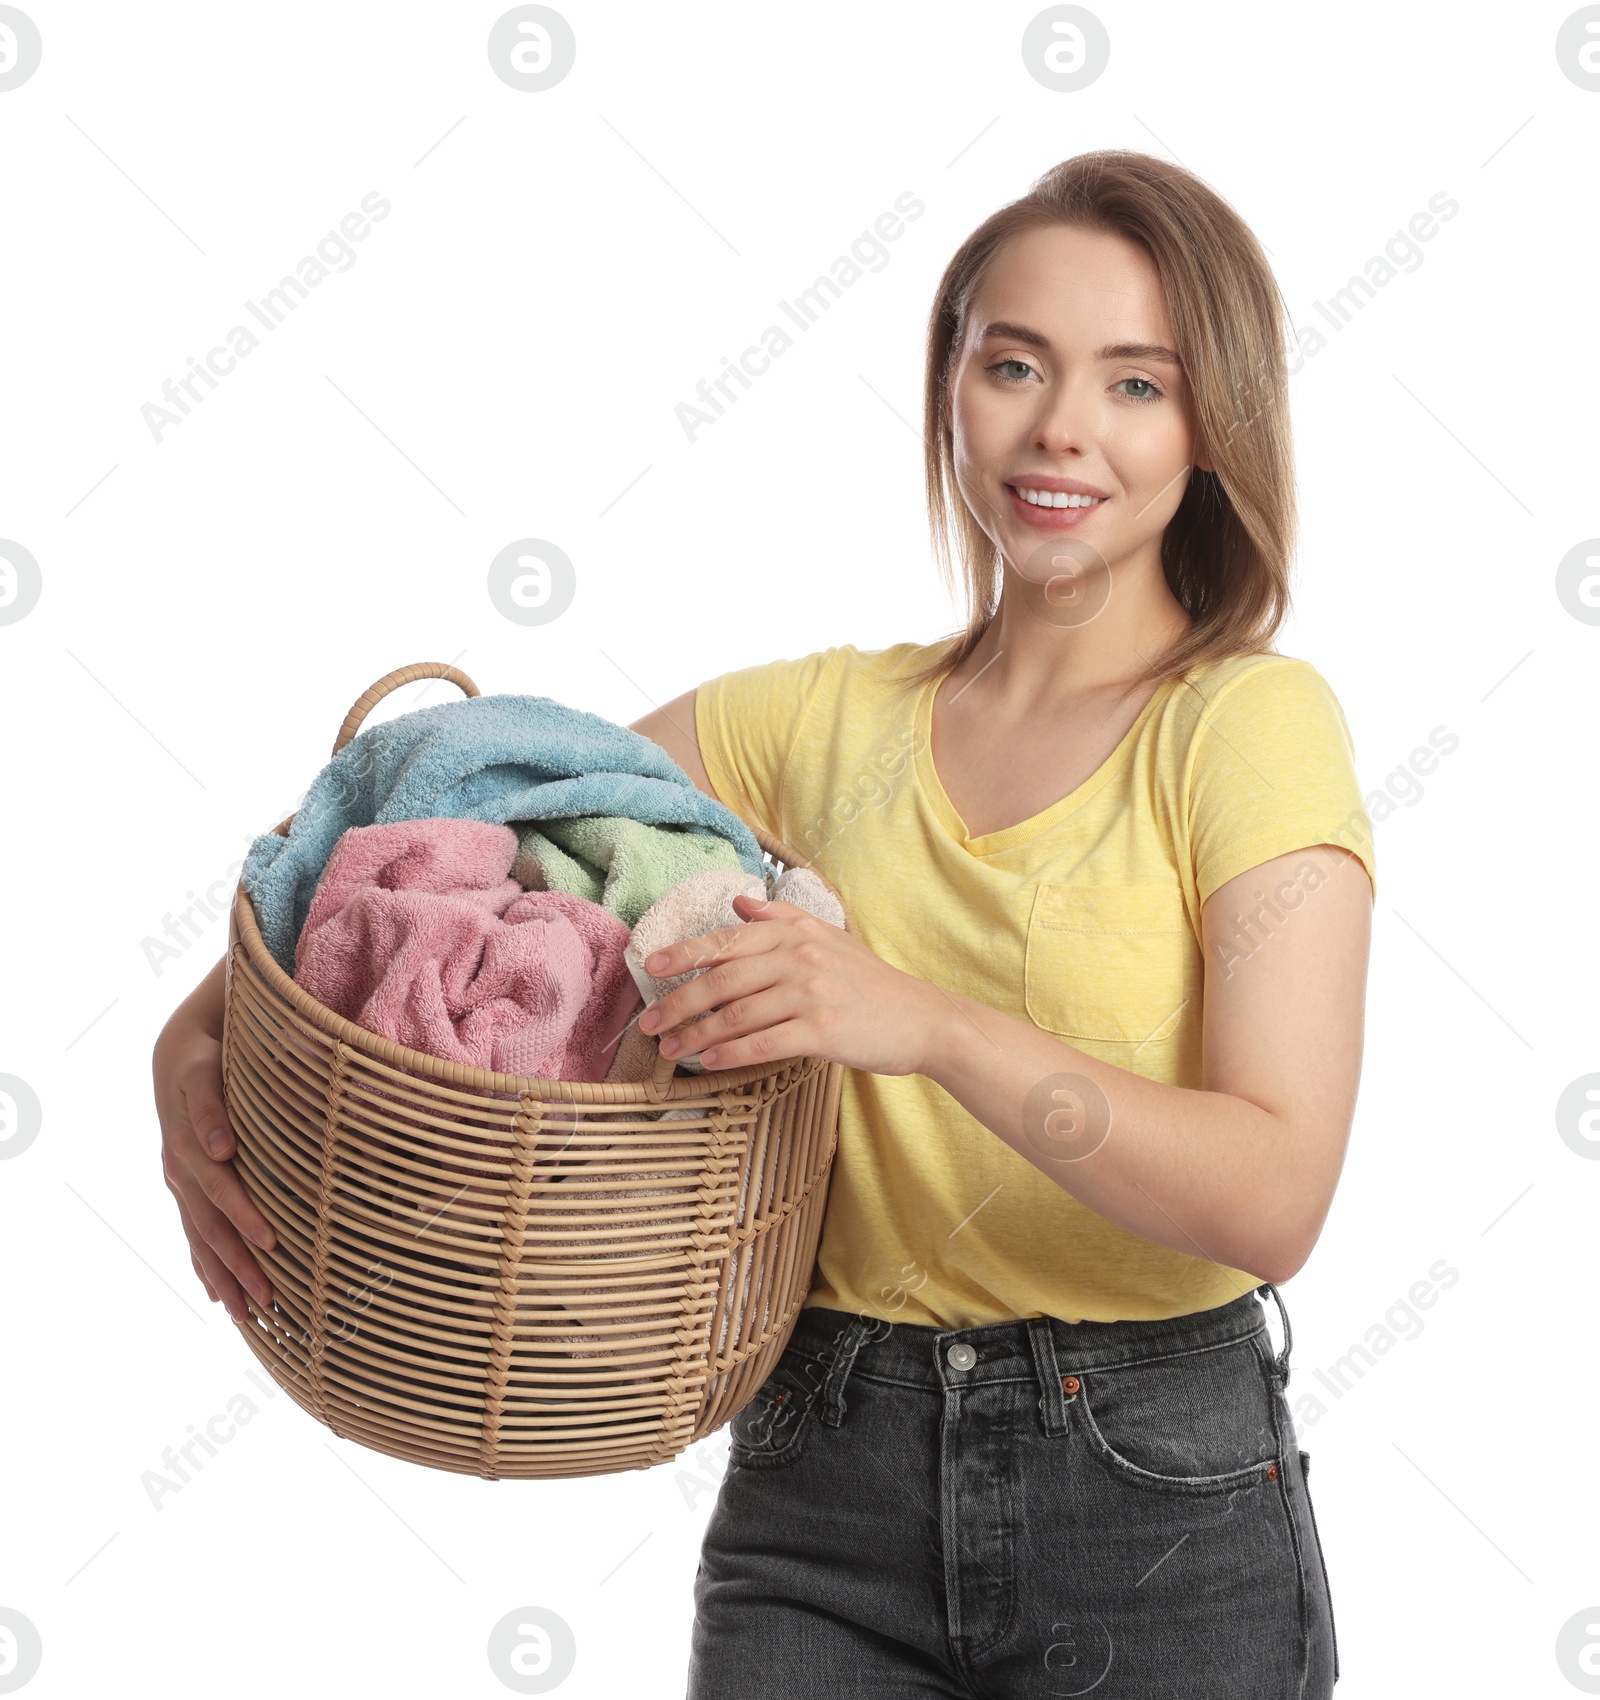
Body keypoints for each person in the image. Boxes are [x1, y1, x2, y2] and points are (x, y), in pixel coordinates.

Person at [154, 147, 1369, 1696]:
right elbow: (457, 792)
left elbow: (1276, 1196)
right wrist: (190, 1036)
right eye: (1015, 365)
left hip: (1154, 1500)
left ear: (1214, 425)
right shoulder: (820, 722)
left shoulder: (1248, 726)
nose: (1063, 427)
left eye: (1138, 383)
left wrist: (916, 1021)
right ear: (951, 391)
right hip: (821, 1475)